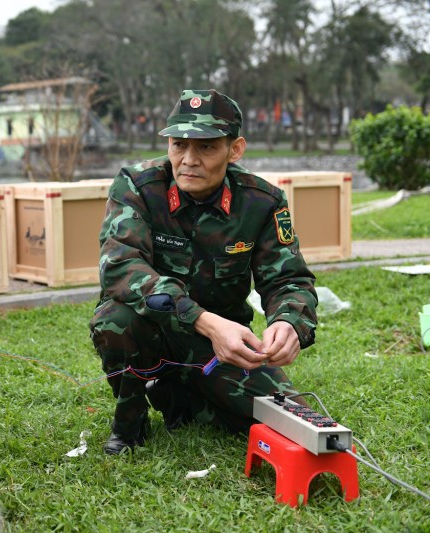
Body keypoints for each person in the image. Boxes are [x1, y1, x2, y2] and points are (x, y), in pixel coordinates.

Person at [90, 89, 318, 455]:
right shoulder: (138, 186)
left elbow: (289, 278)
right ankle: (130, 424)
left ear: (235, 149)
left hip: (224, 348)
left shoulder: (262, 202)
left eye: (207, 147)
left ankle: (179, 395)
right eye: (179, 145)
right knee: (116, 319)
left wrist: (290, 322)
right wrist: (204, 321)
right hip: (158, 331)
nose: (189, 160)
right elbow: (120, 267)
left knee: (290, 425)